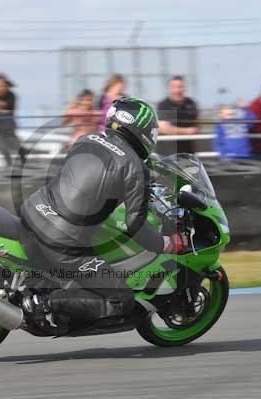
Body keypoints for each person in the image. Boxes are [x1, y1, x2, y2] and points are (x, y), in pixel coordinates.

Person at [20, 97, 189, 326]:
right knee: (121, 300)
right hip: (62, 240)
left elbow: (87, 186)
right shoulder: (134, 166)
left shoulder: (86, 139)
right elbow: (135, 227)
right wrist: (167, 243)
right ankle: (45, 303)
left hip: (33, 210)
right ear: (141, 129)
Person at [157, 76, 199, 155]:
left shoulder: (191, 104)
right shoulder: (164, 105)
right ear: (169, 88)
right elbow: (163, 128)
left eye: (180, 86)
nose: (177, 90)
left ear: (184, 88)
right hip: (167, 154)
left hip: (188, 153)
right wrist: (187, 131)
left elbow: (196, 124)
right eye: (174, 87)